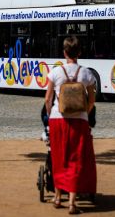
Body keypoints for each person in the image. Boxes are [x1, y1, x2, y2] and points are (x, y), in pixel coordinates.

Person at [44, 36, 97, 214]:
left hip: (58, 120)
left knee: (59, 158)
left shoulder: (55, 73)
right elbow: (91, 101)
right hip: (79, 121)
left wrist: (49, 113)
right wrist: (85, 113)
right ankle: (73, 203)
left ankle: (58, 197)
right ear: (80, 53)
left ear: (64, 52)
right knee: (76, 159)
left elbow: (48, 99)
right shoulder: (86, 73)